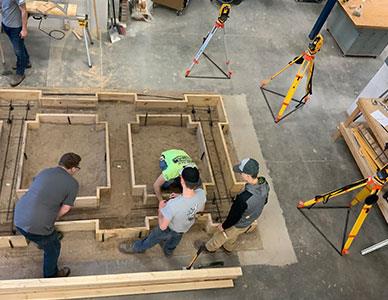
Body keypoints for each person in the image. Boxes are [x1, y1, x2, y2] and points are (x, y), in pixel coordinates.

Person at [14, 153, 81, 278]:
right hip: (38, 227)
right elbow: (66, 208)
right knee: (53, 249)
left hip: (18, 217)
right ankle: (51, 275)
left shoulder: (45, 172)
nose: (77, 170)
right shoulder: (73, 183)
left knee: (43, 236)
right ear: (72, 169)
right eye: (77, 168)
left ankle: (43, 240)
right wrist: (54, 217)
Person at [119, 166, 206, 257]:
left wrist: (160, 209)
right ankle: (168, 251)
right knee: (175, 240)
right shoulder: (201, 193)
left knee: (152, 238)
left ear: (182, 181)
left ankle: (138, 247)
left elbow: (162, 226)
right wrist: (180, 196)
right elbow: (200, 209)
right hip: (183, 228)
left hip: (169, 228)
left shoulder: (172, 205)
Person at [195, 158, 269, 253]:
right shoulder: (264, 183)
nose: (240, 174)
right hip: (250, 219)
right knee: (234, 235)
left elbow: (234, 217)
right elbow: (265, 200)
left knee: (222, 235)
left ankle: (209, 248)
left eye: (241, 173)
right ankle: (228, 247)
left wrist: (224, 226)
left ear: (247, 175)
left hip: (239, 223)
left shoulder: (243, 198)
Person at [1, 0, 31, 87]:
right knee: (19, 46)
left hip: (15, 28)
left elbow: (24, 10)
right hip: (6, 24)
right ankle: (26, 62)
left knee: (18, 51)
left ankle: (20, 73)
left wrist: (24, 29)